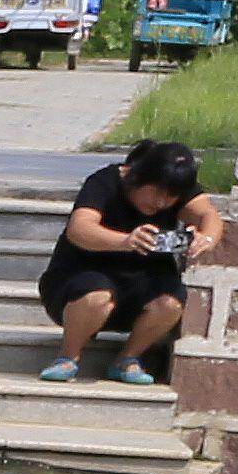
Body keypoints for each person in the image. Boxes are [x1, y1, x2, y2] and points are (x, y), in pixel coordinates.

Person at [38, 137, 204, 381]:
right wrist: (125, 241)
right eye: (156, 192)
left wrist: (204, 238)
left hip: (142, 285)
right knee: (97, 295)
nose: (161, 203)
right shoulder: (104, 182)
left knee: (171, 303)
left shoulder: (178, 189)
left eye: (169, 198)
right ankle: (68, 356)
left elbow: (209, 215)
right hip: (78, 281)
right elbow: (79, 229)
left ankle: (127, 359)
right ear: (138, 177)